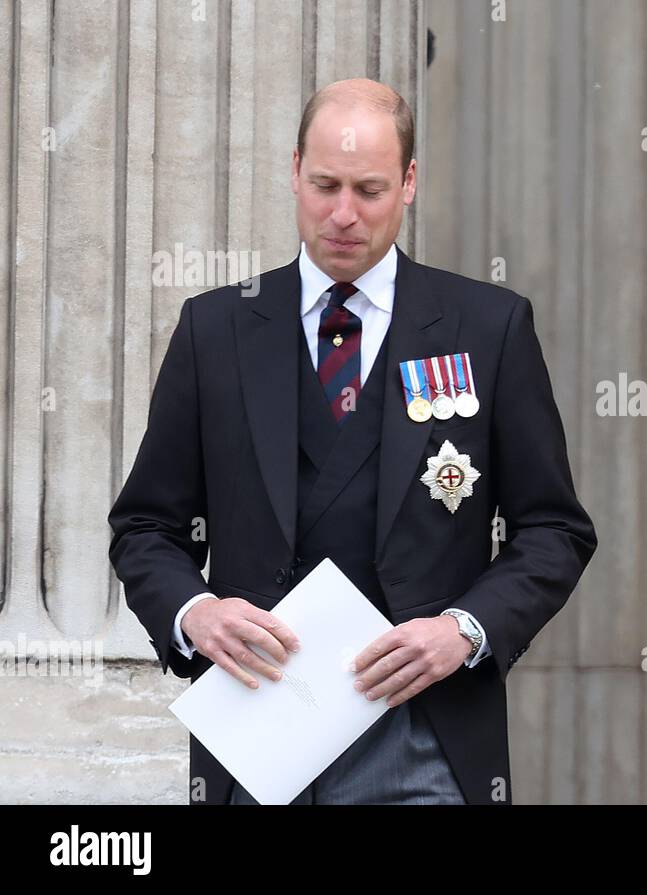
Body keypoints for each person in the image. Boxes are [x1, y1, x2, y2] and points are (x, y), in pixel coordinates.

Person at [108, 78, 596, 805]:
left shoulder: (488, 328)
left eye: (368, 190)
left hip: (422, 732)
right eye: (324, 185)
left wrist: (465, 630)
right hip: (256, 727)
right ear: (293, 169)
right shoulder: (216, 331)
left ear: (409, 182)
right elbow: (145, 526)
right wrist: (195, 614)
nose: (342, 214)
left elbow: (554, 529)